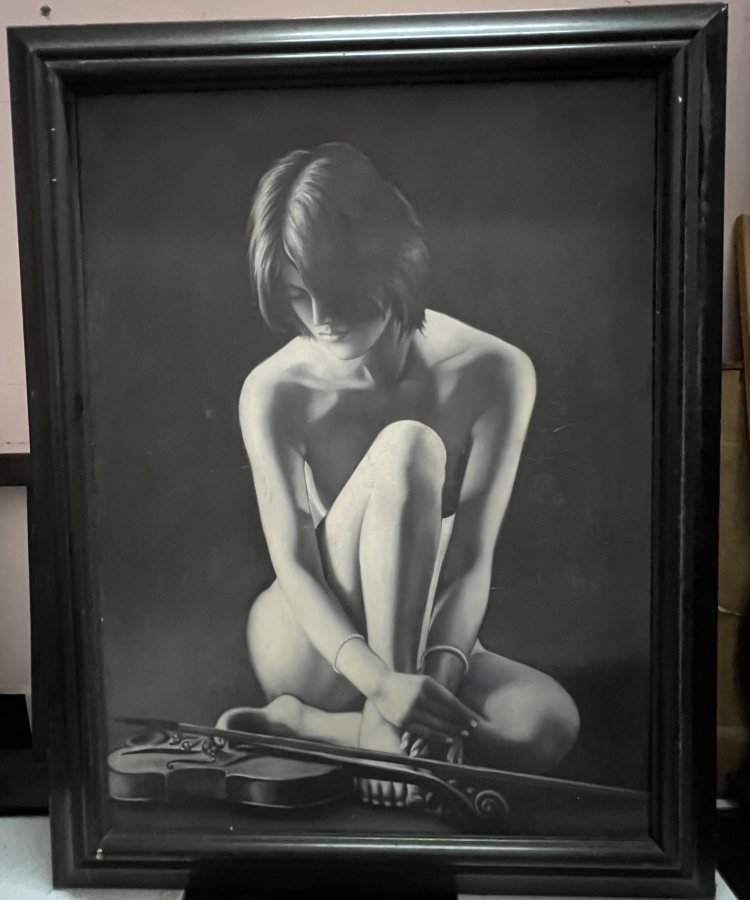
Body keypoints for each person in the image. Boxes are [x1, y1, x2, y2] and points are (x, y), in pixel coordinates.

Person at [218, 143, 579, 807]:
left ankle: (311, 730)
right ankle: (378, 726)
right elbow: (295, 567)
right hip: (313, 643)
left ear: (390, 259)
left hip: (424, 630)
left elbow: (469, 562)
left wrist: (429, 687)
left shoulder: (497, 371)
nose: (319, 319)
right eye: (297, 296)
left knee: (546, 722)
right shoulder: (274, 390)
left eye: (334, 292)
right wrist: (382, 687)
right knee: (409, 447)